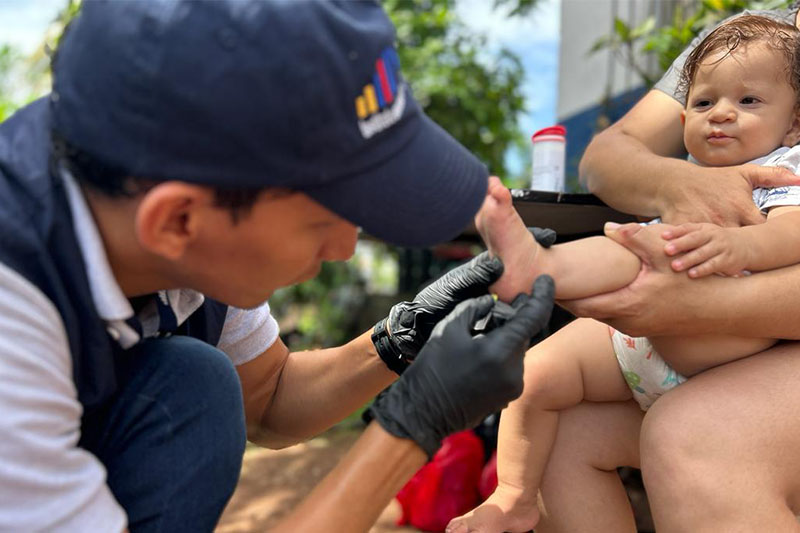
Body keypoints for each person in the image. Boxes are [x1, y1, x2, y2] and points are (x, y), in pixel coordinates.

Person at [0, 2, 558, 532]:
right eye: (326, 220)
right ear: (176, 221)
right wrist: (414, 425)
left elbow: (269, 397)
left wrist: (406, 334)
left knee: (194, 384)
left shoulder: (179, 223)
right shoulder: (13, 315)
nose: (345, 247)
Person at [446, 16, 800, 533]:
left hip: (729, 342)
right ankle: (512, 494)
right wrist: (672, 181)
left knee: (648, 247)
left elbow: (791, 233)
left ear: (792, 122)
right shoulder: (743, 47)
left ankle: (547, 269)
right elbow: (608, 156)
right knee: (538, 374)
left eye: (748, 103)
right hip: (647, 337)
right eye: (703, 104)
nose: (721, 114)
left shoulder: (784, 169)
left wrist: (738, 243)